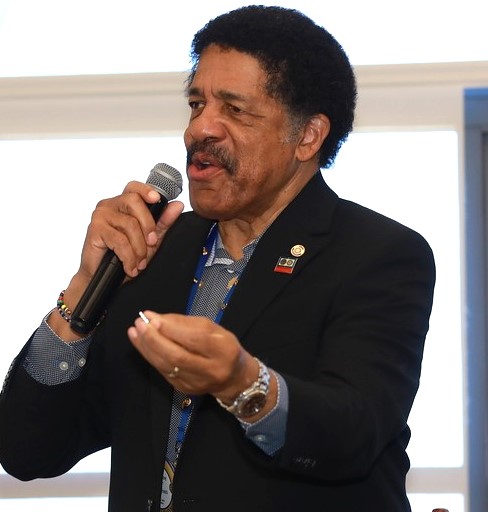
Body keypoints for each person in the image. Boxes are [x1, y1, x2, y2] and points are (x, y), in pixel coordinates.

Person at [0, 5, 435, 511]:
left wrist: (243, 384)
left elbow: (352, 434)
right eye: (196, 104)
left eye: (234, 109)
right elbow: (26, 448)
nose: (200, 129)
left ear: (307, 136)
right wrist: (85, 288)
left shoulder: (378, 254)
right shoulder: (158, 250)